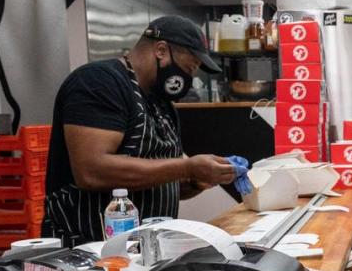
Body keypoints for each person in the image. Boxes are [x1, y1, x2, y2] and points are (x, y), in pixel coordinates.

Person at [43, 15, 240, 246]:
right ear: (161, 50)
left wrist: (197, 180)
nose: (190, 77)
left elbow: (161, 179)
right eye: (188, 68)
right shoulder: (99, 82)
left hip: (145, 251)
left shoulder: (162, 104)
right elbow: (91, 171)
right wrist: (188, 166)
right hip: (88, 250)